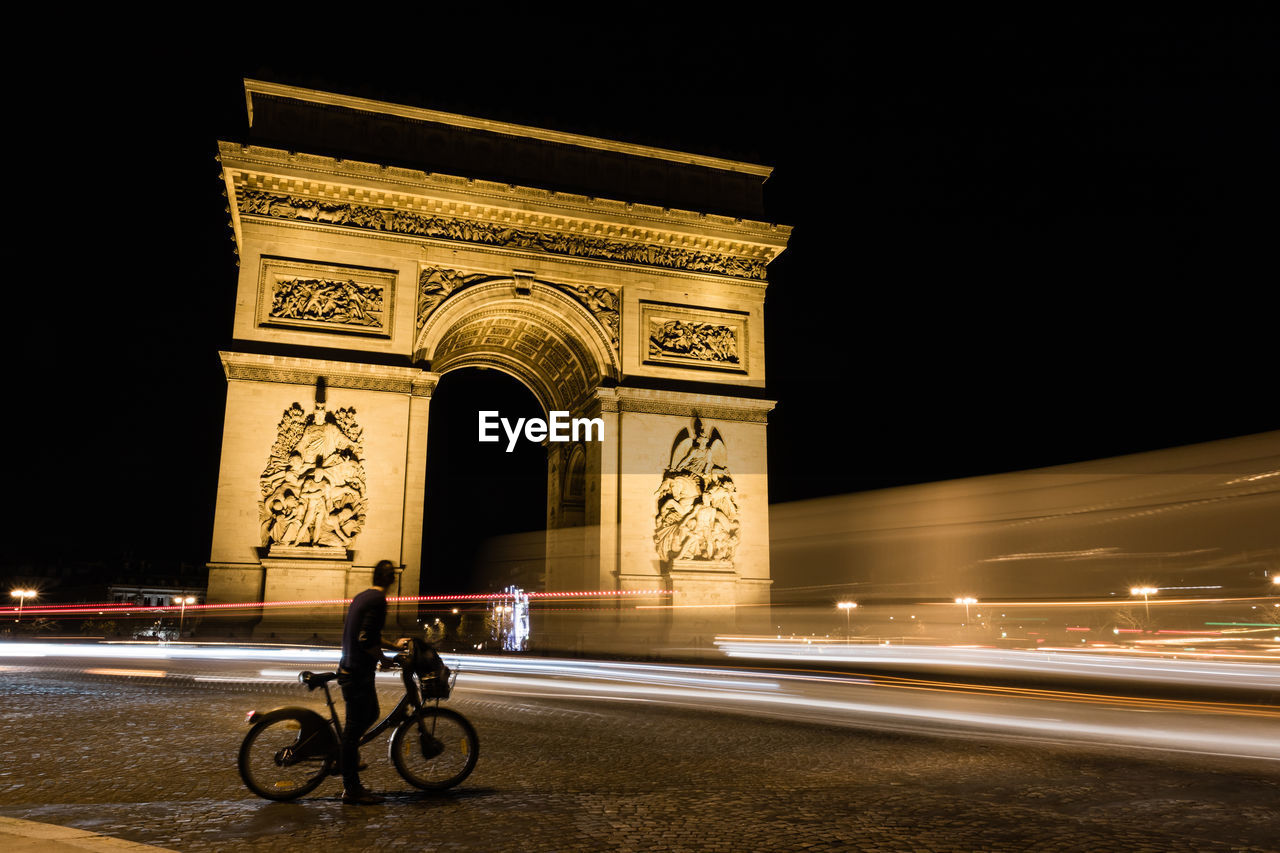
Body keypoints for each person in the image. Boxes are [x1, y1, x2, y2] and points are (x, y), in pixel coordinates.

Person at [337, 559, 400, 805]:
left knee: (368, 714)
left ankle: (346, 755)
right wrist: (383, 659)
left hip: (350, 667)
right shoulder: (378, 601)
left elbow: (367, 633)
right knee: (355, 727)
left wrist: (394, 645)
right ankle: (351, 787)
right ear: (392, 579)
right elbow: (365, 638)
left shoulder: (362, 596)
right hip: (357, 671)